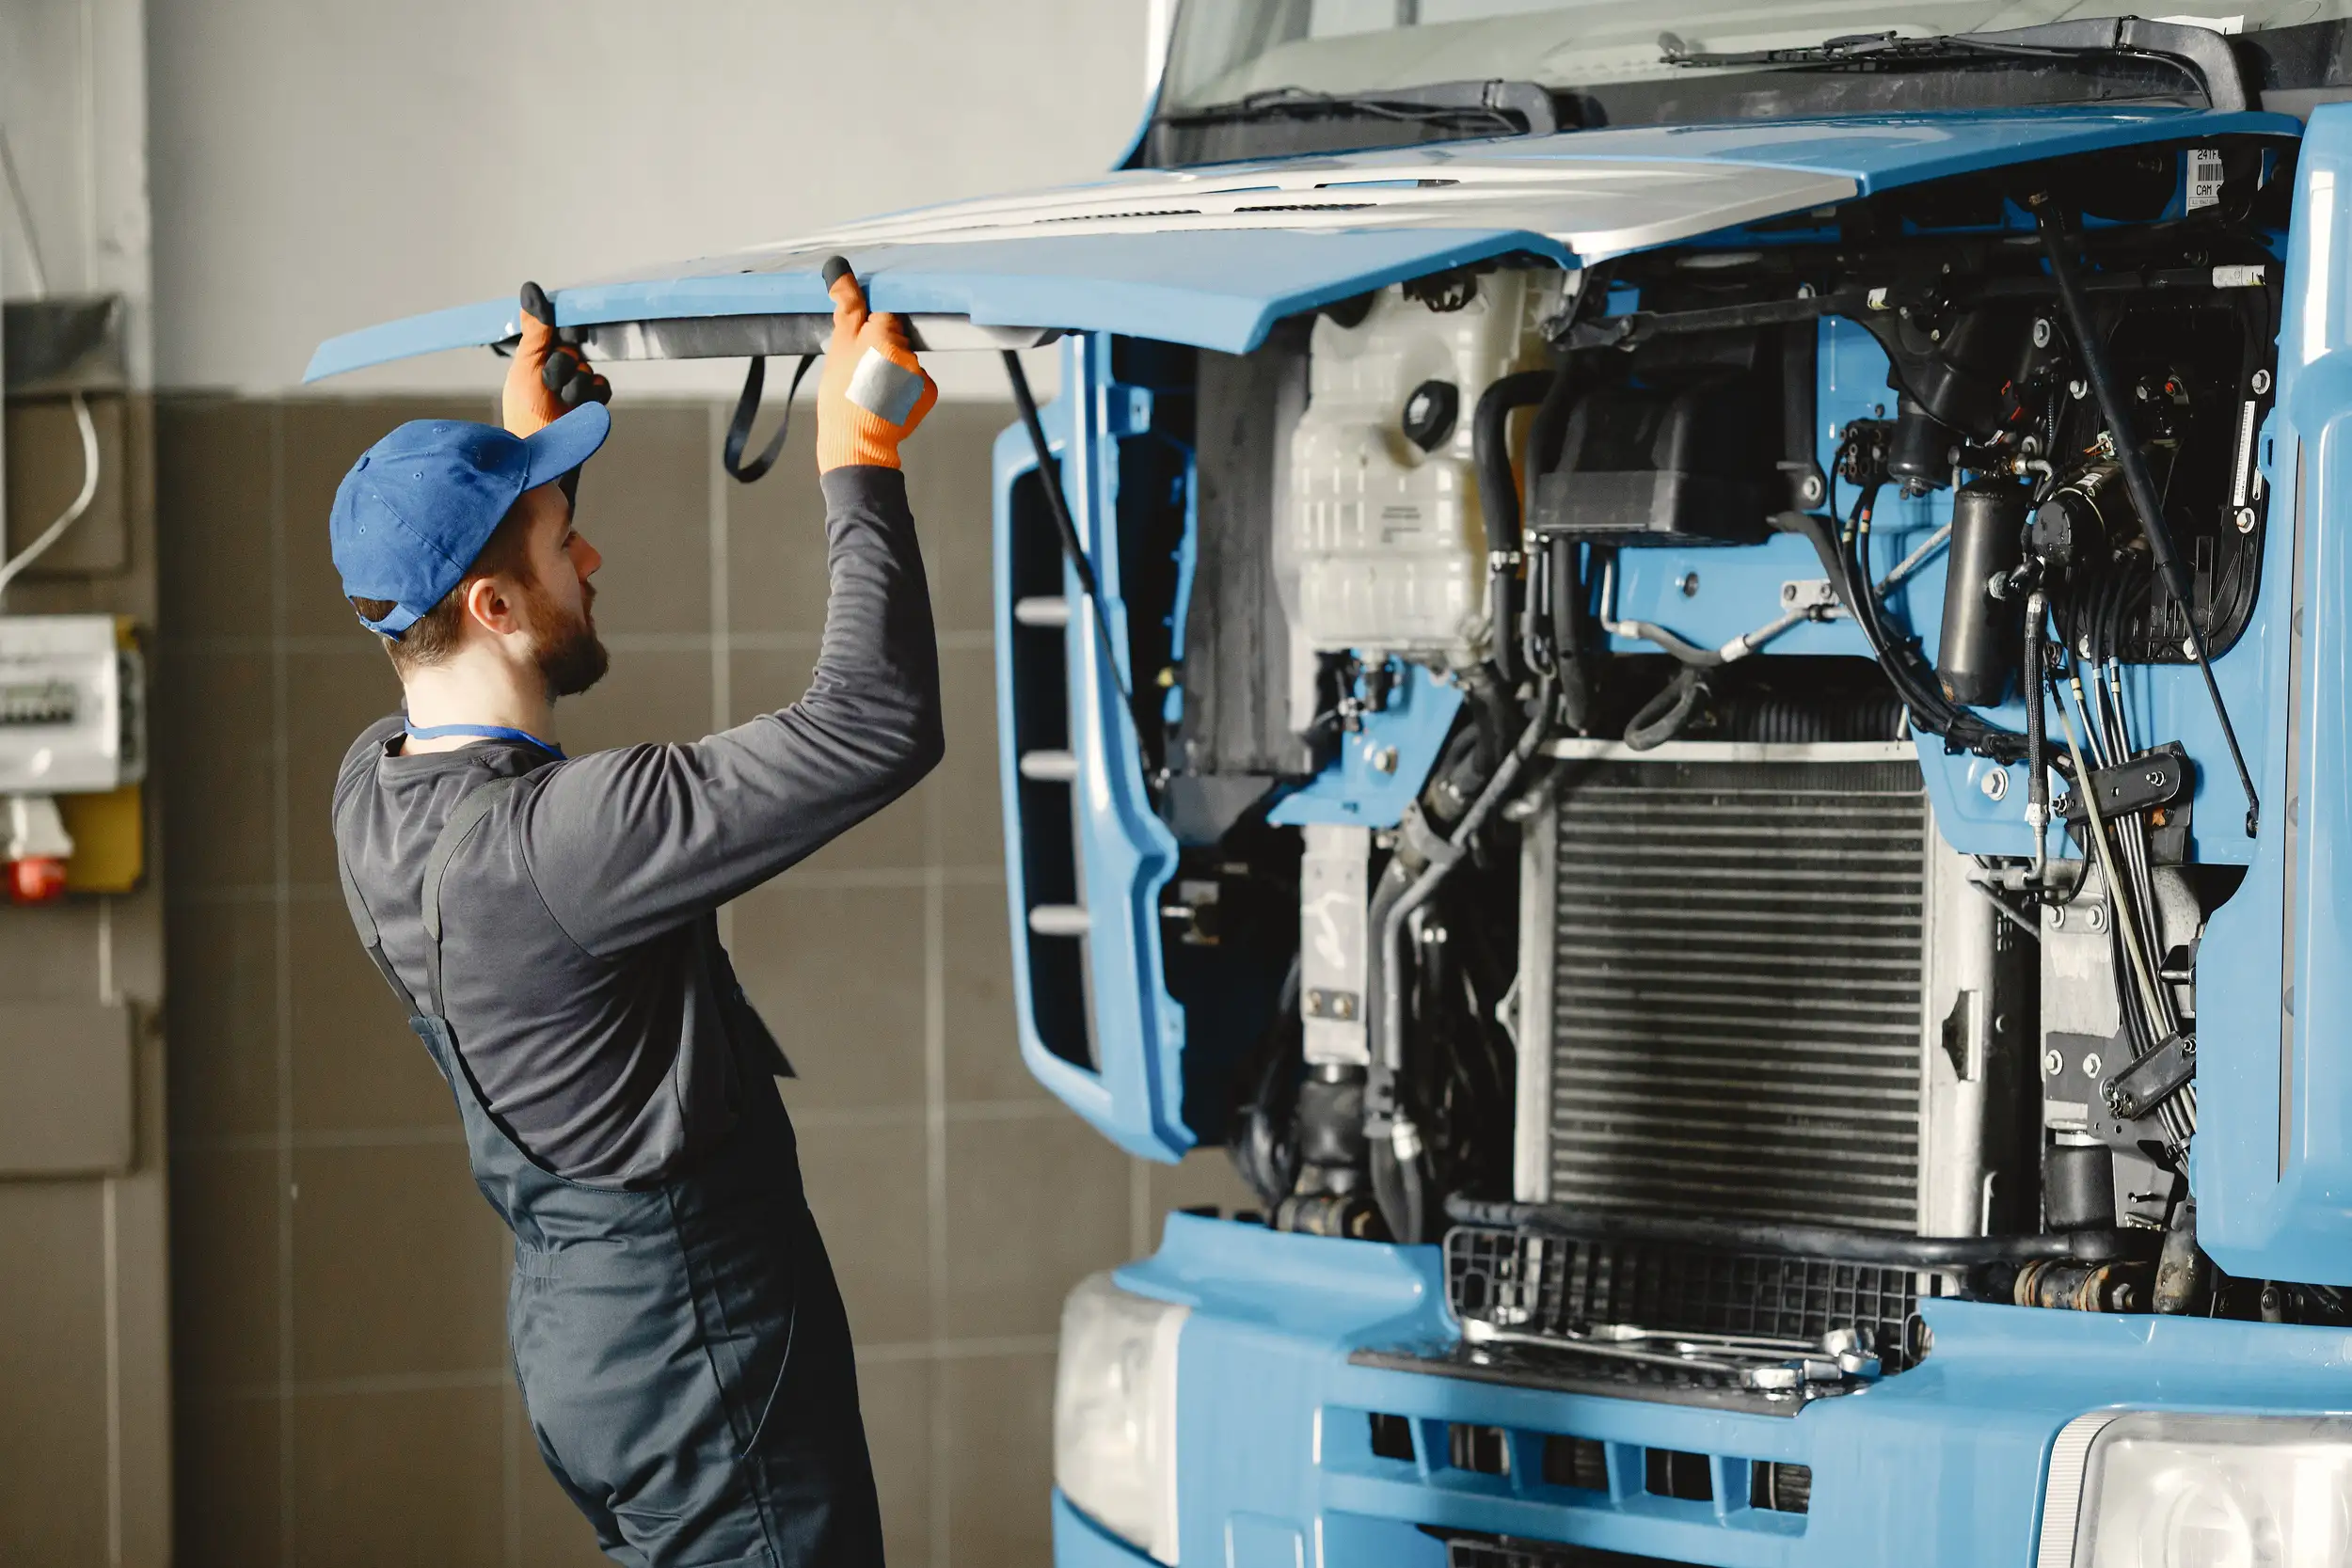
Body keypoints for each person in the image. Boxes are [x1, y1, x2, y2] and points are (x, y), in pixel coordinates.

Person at [327, 260, 942, 1567]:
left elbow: (482, 632)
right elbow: (876, 723)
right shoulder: (570, 840)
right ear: (491, 605)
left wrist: (525, 461)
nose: (591, 552)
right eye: (566, 540)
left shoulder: (374, 793)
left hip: (589, 1352)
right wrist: (860, 458)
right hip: (706, 1362)